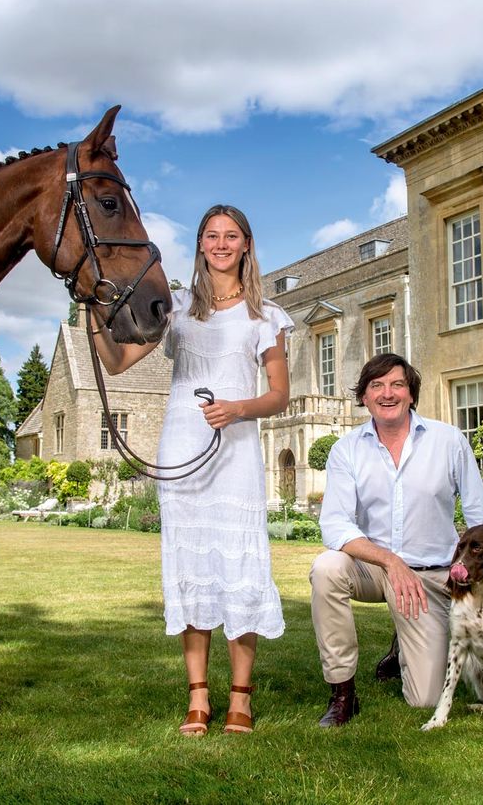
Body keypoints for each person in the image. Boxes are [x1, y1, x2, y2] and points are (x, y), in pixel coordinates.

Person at [90, 203, 291, 736]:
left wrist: (238, 408)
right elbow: (117, 361)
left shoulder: (266, 317)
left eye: (231, 235)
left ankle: (241, 699)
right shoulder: (175, 307)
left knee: (239, 568)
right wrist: (93, 306)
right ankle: (198, 698)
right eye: (211, 235)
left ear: (246, 244)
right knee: (193, 568)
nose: (220, 243)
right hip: (182, 444)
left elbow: (279, 394)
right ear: (200, 244)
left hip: (235, 447)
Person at [310, 352, 483, 727]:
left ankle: (401, 647)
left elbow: (480, 517)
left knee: (424, 699)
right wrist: (391, 562)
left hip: (431, 576)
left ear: (411, 393)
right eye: (376, 386)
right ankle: (342, 692)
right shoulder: (346, 449)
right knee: (327, 568)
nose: (387, 393)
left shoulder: (449, 441)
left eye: (397, 384)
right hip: (375, 568)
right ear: (363, 397)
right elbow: (335, 524)